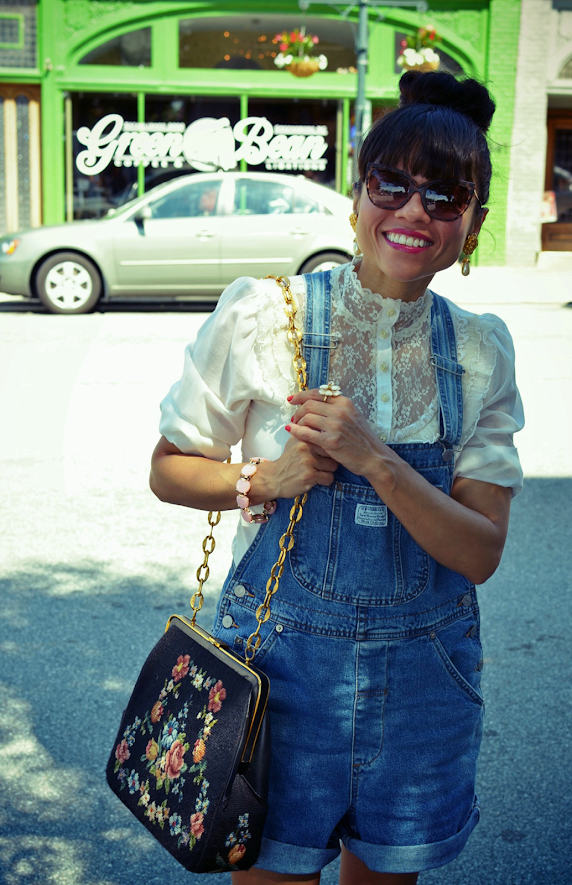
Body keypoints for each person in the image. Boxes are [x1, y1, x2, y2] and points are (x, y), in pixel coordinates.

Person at [150, 71, 524, 885]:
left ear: (474, 225)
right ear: (356, 199)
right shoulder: (260, 314)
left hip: (427, 678)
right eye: (392, 183)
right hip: (277, 673)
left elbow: (479, 552)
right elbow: (170, 471)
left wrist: (374, 458)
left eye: (446, 196)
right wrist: (267, 474)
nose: (415, 210)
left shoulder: (481, 351)